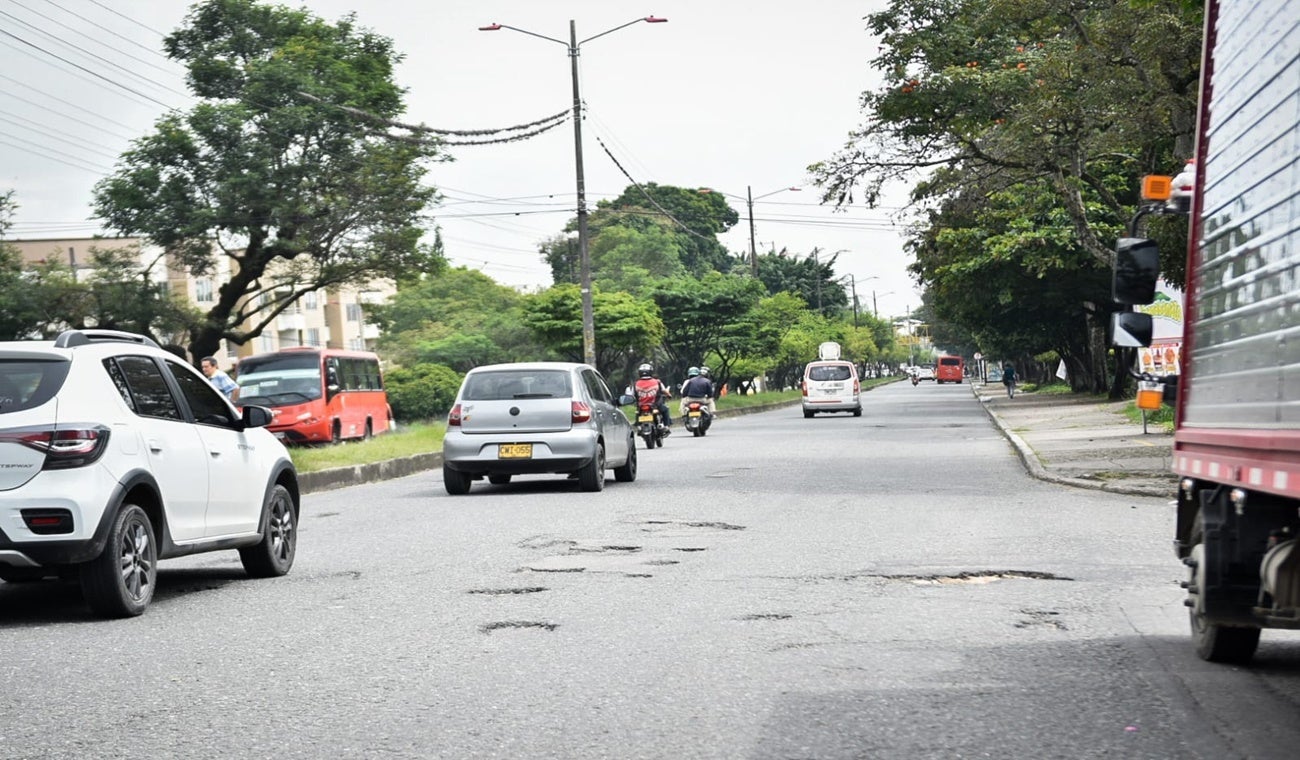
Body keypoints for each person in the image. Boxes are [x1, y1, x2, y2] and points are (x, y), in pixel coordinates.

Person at [632, 363, 672, 430]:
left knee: (638, 412)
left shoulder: (636, 384)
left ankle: (638, 424)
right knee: (665, 410)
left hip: (641, 406)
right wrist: (669, 395)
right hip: (655, 405)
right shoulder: (657, 382)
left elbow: (632, 395)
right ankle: (666, 426)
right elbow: (664, 391)